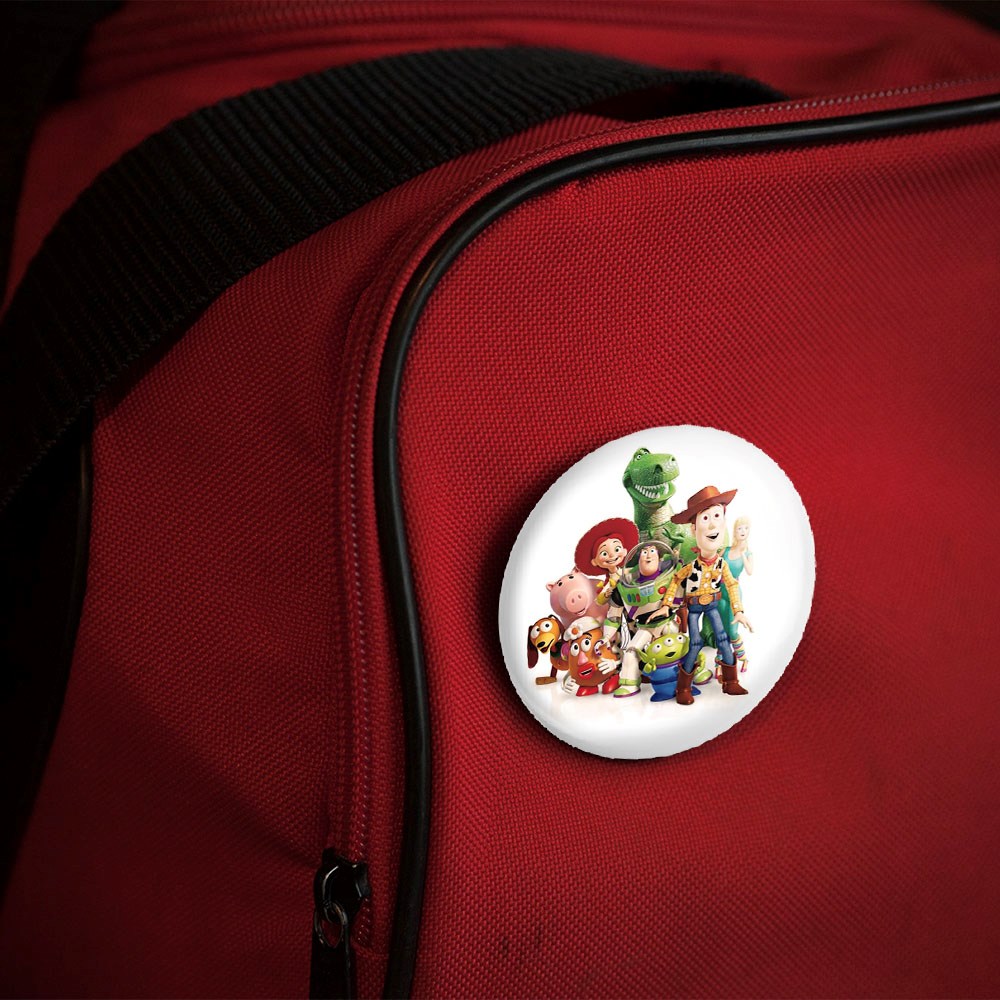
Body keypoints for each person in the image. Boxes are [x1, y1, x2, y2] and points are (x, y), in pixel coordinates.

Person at [660, 486, 754, 704]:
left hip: (713, 606)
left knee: (722, 638)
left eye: (717, 517)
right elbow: (676, 579)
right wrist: (667, 604)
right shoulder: (691, 566)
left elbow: (731, 584)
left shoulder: (722, 564)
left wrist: (738, 611)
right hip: (693, 609)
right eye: (705, 518)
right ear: (694, 529)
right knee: (695, 643)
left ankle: (731, 681)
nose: (712, 525)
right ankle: (683, 687)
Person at [719, 515, 752, 673]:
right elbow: (714, 564)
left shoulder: (748, 553)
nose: (743, 531)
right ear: (735, 531)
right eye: (740, 528)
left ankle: (743, 658)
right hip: (720, 591)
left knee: (732, 631)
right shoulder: (725, 550)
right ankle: (720, 662)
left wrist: (744, 554)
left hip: (734, 594)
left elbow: (750, 571)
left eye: (746, 528)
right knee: (722, 631)